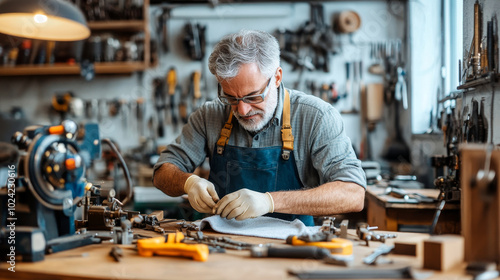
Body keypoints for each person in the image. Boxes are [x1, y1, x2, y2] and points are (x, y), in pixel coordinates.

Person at [153, 29, 366, 226]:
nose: (243, 110)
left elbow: (353, 194)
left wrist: (269, 202)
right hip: (224, 247)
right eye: (231, 98)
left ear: (277, 77)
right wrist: (188, 183)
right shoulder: (210, 115)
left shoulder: (316, 117)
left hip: (293, 249)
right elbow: (162, 171)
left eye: (253, 96)